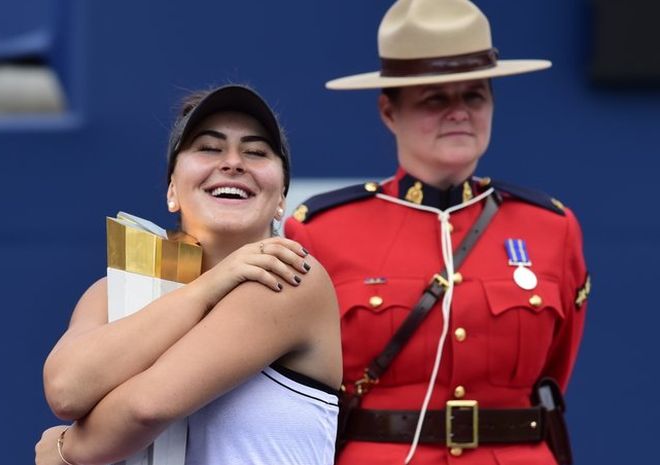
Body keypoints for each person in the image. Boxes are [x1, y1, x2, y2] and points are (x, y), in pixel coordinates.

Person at [284, 1, 589, 464]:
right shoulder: (321, 231)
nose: (459, 113)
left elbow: (553, 373)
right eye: (435, 99)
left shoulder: (551, 227)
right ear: (389, 111)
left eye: (474, 96)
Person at [35, 84, 342, 465]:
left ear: (281, 198)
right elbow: (66, 389)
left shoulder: (292, 275)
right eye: (208, 148)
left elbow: (147, 406)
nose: (233, 163)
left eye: (256, 152)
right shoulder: (109, 291)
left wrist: (66, 449)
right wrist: (208, 286)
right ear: (172, 190)